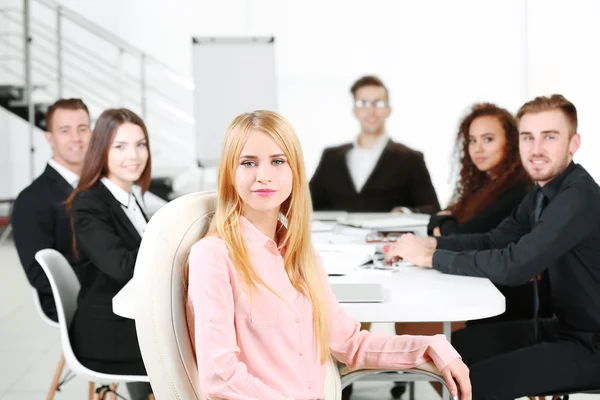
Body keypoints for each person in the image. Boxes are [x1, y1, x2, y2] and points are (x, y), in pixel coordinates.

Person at [186, 110, 471, 400]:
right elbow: (221, 379)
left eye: (277, 161)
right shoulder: (212, 256)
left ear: (294, 171)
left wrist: (433, 347)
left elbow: (351, 344)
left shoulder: (300, 255)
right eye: (248, 163)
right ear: (229, 175)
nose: (263, 176)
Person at [386, 95, 600, 398]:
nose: (536, 149)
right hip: (561, 327)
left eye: (549, 137)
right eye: (528, 137)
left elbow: (516, 265)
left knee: (474, 382)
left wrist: (431, 258)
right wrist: (431, 242)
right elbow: (495, 239)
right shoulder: (542, 193)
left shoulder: (576, 196)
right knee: (452, 350)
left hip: (591, 343)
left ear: (573, 143)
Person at [426, 103, 549, 326]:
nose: (477, 148)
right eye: (472, 140)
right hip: (483, 291)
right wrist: (443, 221)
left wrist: (444, 222)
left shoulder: (518, 191)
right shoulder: (485, 186)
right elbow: (439, 223)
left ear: (511, 143)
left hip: (506, 306)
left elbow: (457, 235)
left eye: (488, 139)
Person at [66, 109, 153, 400]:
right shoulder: (89, 202)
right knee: (197, 351)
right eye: (121, 146)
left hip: (131, 321)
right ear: (101, 149)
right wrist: (167, 238)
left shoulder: (129, 198)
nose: (135, 155)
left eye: (141, 144)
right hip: (106, 334)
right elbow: (122, 266)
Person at [309, 75, 440, 214]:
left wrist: (404, 212)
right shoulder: (331, 157)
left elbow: (433, 208)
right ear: (354, 110)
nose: (371, 110)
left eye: (379, 103)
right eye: (363, 103)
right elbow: (305, 203)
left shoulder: (411, 158)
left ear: (388, 109)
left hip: (387, 235)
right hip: (335, 235)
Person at [11, 98, 92, 321]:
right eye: (65, 131)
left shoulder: (99, 186)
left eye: (82, 129)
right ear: (50, 138)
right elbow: (40, 275)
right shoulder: (31, 200)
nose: (76, 138)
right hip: (74, 304)